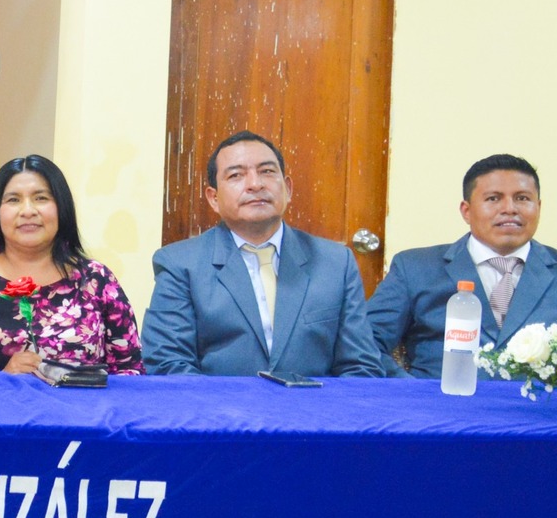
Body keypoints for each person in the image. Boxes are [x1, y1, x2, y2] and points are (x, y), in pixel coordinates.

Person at [143, 130, 391, 378]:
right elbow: (169, 363)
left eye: (267, 171)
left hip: (314, 402)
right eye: (236, 175)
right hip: (219, 403)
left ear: (288, 188)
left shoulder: (335, 262)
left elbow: (361, 366)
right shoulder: (180, 264)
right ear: (214, 198)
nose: (255, 184)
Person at [368, 154, 557, 377]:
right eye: (493, 199)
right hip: (437, 401)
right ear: (466, 211)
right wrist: (412, 392)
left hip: (538, 404)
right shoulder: (415, 269)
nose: (510, 209)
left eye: (522, 198)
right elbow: (367, 344)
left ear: (538, 207)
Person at [0, 155, 142, 374]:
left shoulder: (97, 279)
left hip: (84, 406)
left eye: (41, 198)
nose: (28, 211)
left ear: (61, 208)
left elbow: (130, 371)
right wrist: (0, 379)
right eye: (13, 200)